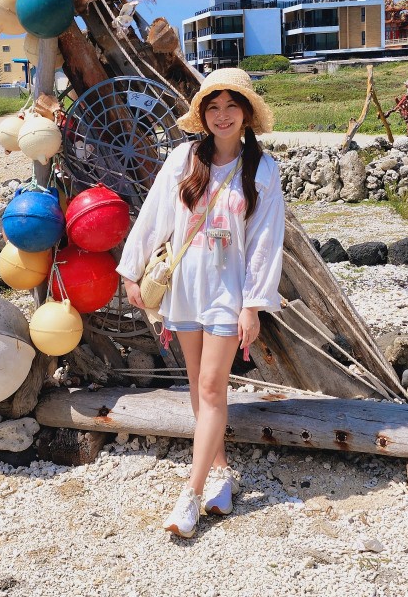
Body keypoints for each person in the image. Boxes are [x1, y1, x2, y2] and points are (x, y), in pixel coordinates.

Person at [117, 67, 285, 539]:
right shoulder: (183, 159)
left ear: (247, 113)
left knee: (212, 387)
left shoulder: (262, 170)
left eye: (232, 106)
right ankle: (221, 473)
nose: (222, 115)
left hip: (227, 293)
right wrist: (131, 268)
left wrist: (252, 303)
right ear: (203, 114)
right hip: (184, 287)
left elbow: (266, 243)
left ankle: (189, 496)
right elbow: (154, 216)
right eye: (213, 106)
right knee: (198, 386)